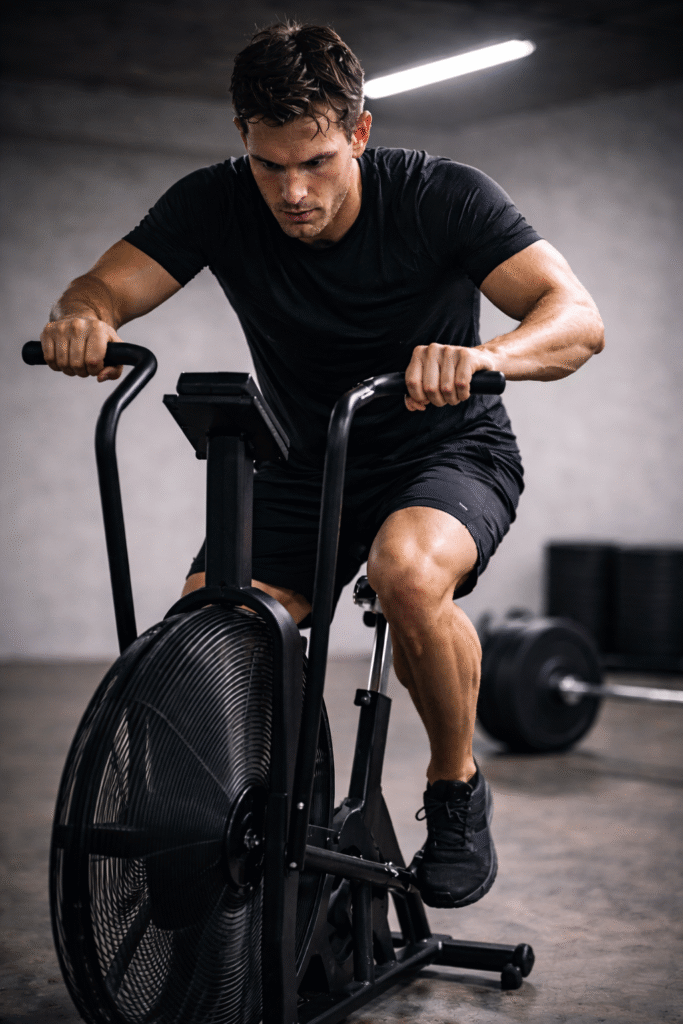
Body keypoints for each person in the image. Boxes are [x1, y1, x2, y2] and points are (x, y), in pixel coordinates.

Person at [39, 21, 604, 909]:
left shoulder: (439, 195)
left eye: (317, 162)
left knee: (408, 576)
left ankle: (454, 792)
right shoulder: (214, 202)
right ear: (243, 143)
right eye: (270, 166)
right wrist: (83, 316)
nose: (293, 192)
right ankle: (279, 813)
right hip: (305, 464)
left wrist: (487, 355)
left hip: (445, 448)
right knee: (212, 627)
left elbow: (575, 319)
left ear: (360, 134)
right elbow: (103, 287)